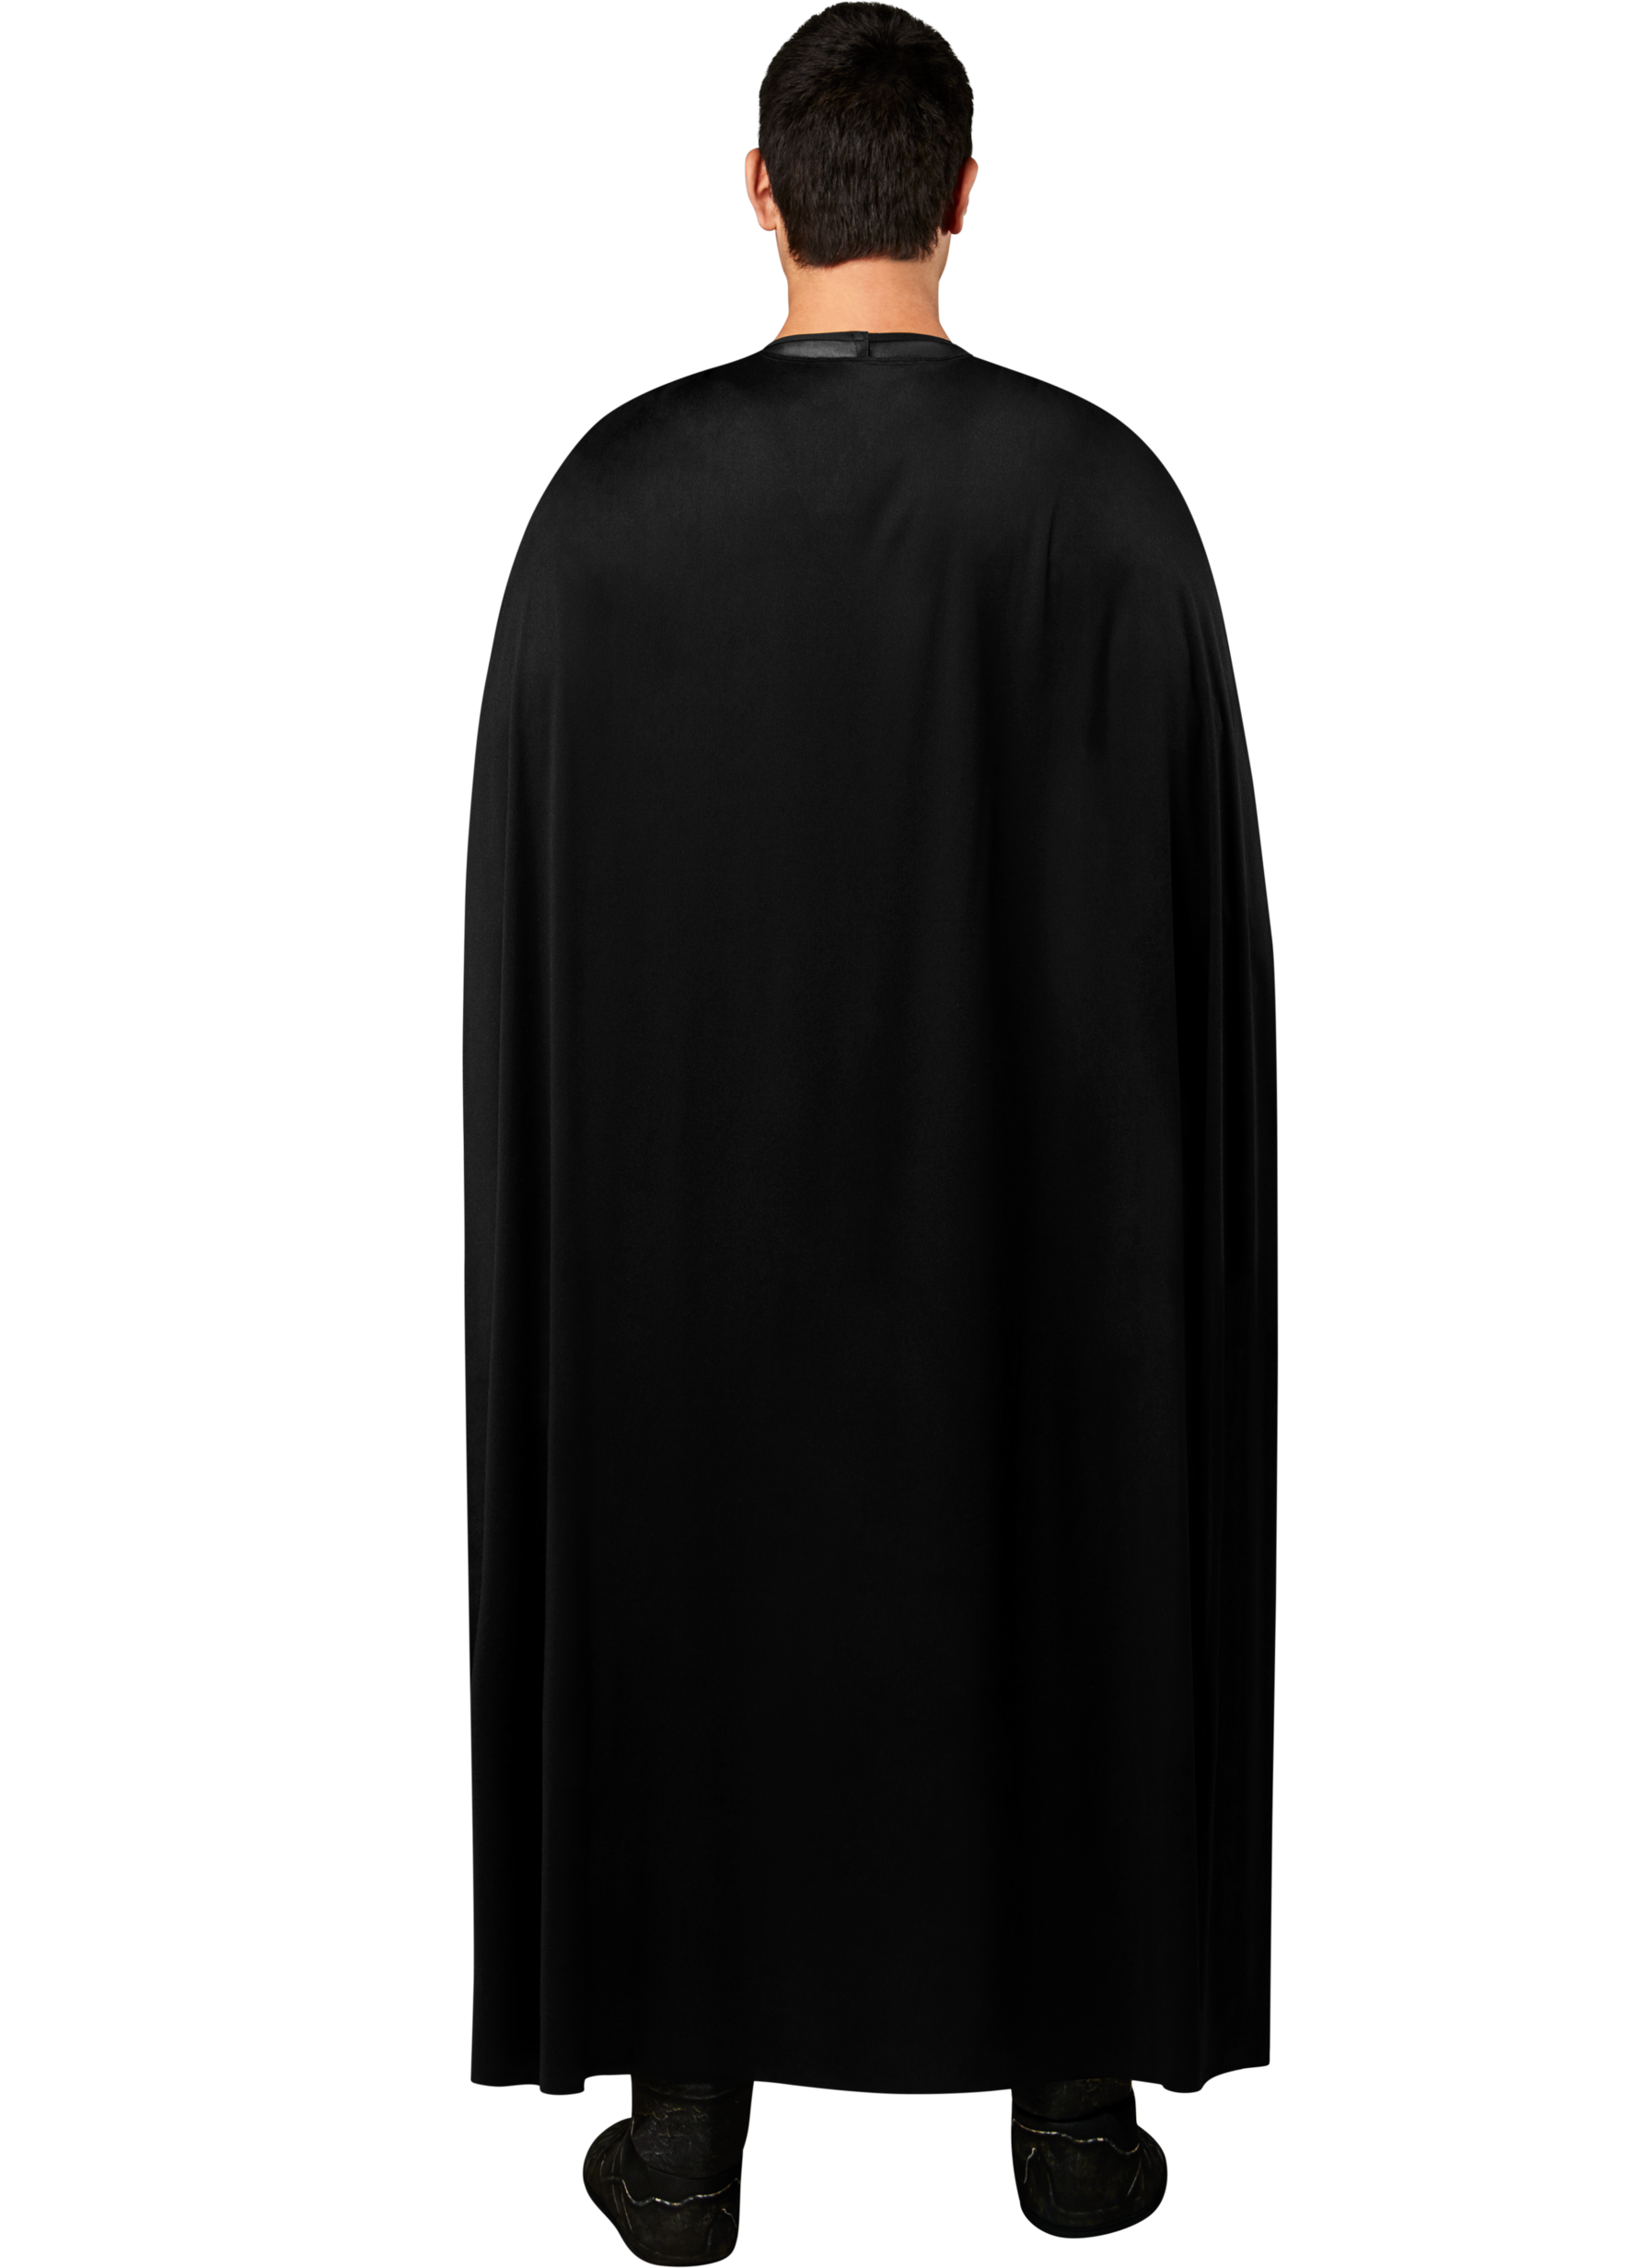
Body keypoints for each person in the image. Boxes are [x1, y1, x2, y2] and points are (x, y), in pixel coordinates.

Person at [461, 6, 1278, 2259]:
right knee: (1065, 1545)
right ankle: (1078, 2118)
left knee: (680, 1565)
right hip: (1035, 1240)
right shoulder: (1114, 512)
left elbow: (536, 942)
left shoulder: (601, 511)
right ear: (963, 201)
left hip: (682, 1231)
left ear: (758, 195)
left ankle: (684, 2137)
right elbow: (1202, 947)